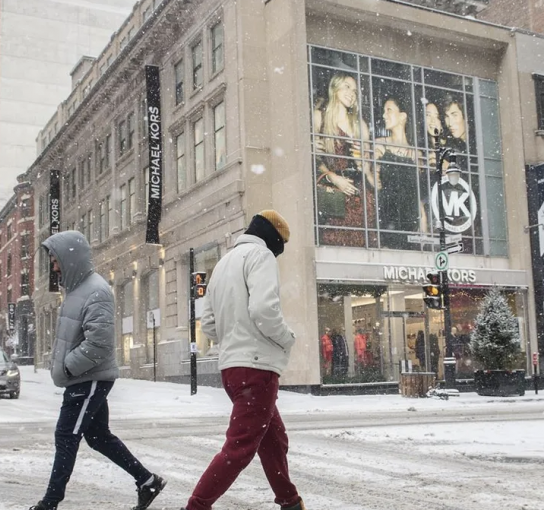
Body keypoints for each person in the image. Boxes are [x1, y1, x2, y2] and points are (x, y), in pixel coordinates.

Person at [30, 230, 165, 510]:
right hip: (84, 378)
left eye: (55, 260)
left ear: (70, 258)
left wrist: (68, 367)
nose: (54, 266)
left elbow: (99, 344)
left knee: (66, 436)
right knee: (98, 437)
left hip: (88, 379)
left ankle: (50, 503)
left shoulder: (96, 290)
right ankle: (147, 480)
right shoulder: (78, 289)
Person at [180, 210, 305, 510]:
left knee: (275, 440)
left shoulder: (224, 264)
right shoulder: (260, 257)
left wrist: (235, 336)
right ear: (273, 240)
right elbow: (264, 310)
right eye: (279, 247)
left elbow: (208, 325)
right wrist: (287, 338)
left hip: (232, 368)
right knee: (239, 449)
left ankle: (289, 500)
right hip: (257, 368)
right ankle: (196, 507)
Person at [313, 73, 376, 248]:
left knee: (360, 247)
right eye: (347, 87)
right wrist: (332, 177)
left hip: (359, 195)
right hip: (335, 196)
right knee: (334, 244)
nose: (351, 93)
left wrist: (362, 164)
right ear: (335, 87)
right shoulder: (320, 117)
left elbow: (367, 167)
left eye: (355, 90)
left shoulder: (359, 125)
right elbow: (314, 158)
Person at [374, 97, 423, 247]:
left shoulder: (417, 154)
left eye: (389, 110)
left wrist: (423, 227)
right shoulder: (380, 144)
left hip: (410, 220)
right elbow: (375, 182)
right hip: (387, 216)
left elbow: (418, 194)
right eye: (383, 111)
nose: (384, 115)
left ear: (402, 116)